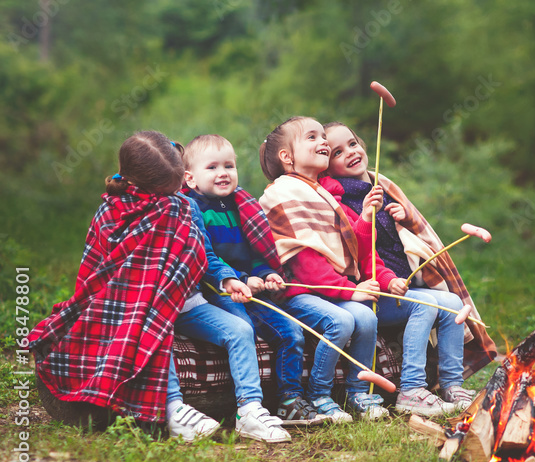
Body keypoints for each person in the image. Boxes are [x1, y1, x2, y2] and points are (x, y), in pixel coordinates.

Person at [27, 131, 221, 441]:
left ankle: (171, 407)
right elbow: (99, 267)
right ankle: (173, 409)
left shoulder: (160, 207)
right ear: (145, 184)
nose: (177, 195)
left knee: (145, 322)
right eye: (170, 190)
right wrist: (127, 295)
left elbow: (189, 258)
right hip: (119, 300)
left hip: (160, 299)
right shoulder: (154, 209)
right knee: (141, 326)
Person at [321, 121, 485, 416]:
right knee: (423, 305)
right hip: (372, 293)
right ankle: (411, 389)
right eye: (337, 152)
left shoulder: (379, 185)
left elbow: (407, 237)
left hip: (401, 283)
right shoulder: (338, 201)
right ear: (327, 166)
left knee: (449, 303)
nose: (350, 152)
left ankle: (451, 383)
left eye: (353, 143)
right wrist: (367, 217)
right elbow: (358, 254)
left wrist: (404, 216)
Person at [181, 134, 334, 426]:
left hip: (251, 289)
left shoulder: (243, 206)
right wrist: (238, 279)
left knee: (290, 332)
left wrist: (266, 273)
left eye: (229, 165)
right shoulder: (193, 209)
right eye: (212, 167)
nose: (223, 173)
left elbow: (257, 251)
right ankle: (249, 404)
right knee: (245, 329)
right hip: (219, 291)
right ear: (190, 178)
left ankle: (289, 399)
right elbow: (204, 258)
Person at [258, 116, 388, 421]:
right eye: (312, 137)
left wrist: (367, 217)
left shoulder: (324, 194)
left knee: (366, 318)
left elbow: (354, 244)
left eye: (322, 137)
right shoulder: (282, 193)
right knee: (341, 321)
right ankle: (318, 394)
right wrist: (350, 289)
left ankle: (357, 392)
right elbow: (304, 264)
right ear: (287, 157)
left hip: (330, 287)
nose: (324, 142)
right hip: (297, 291)